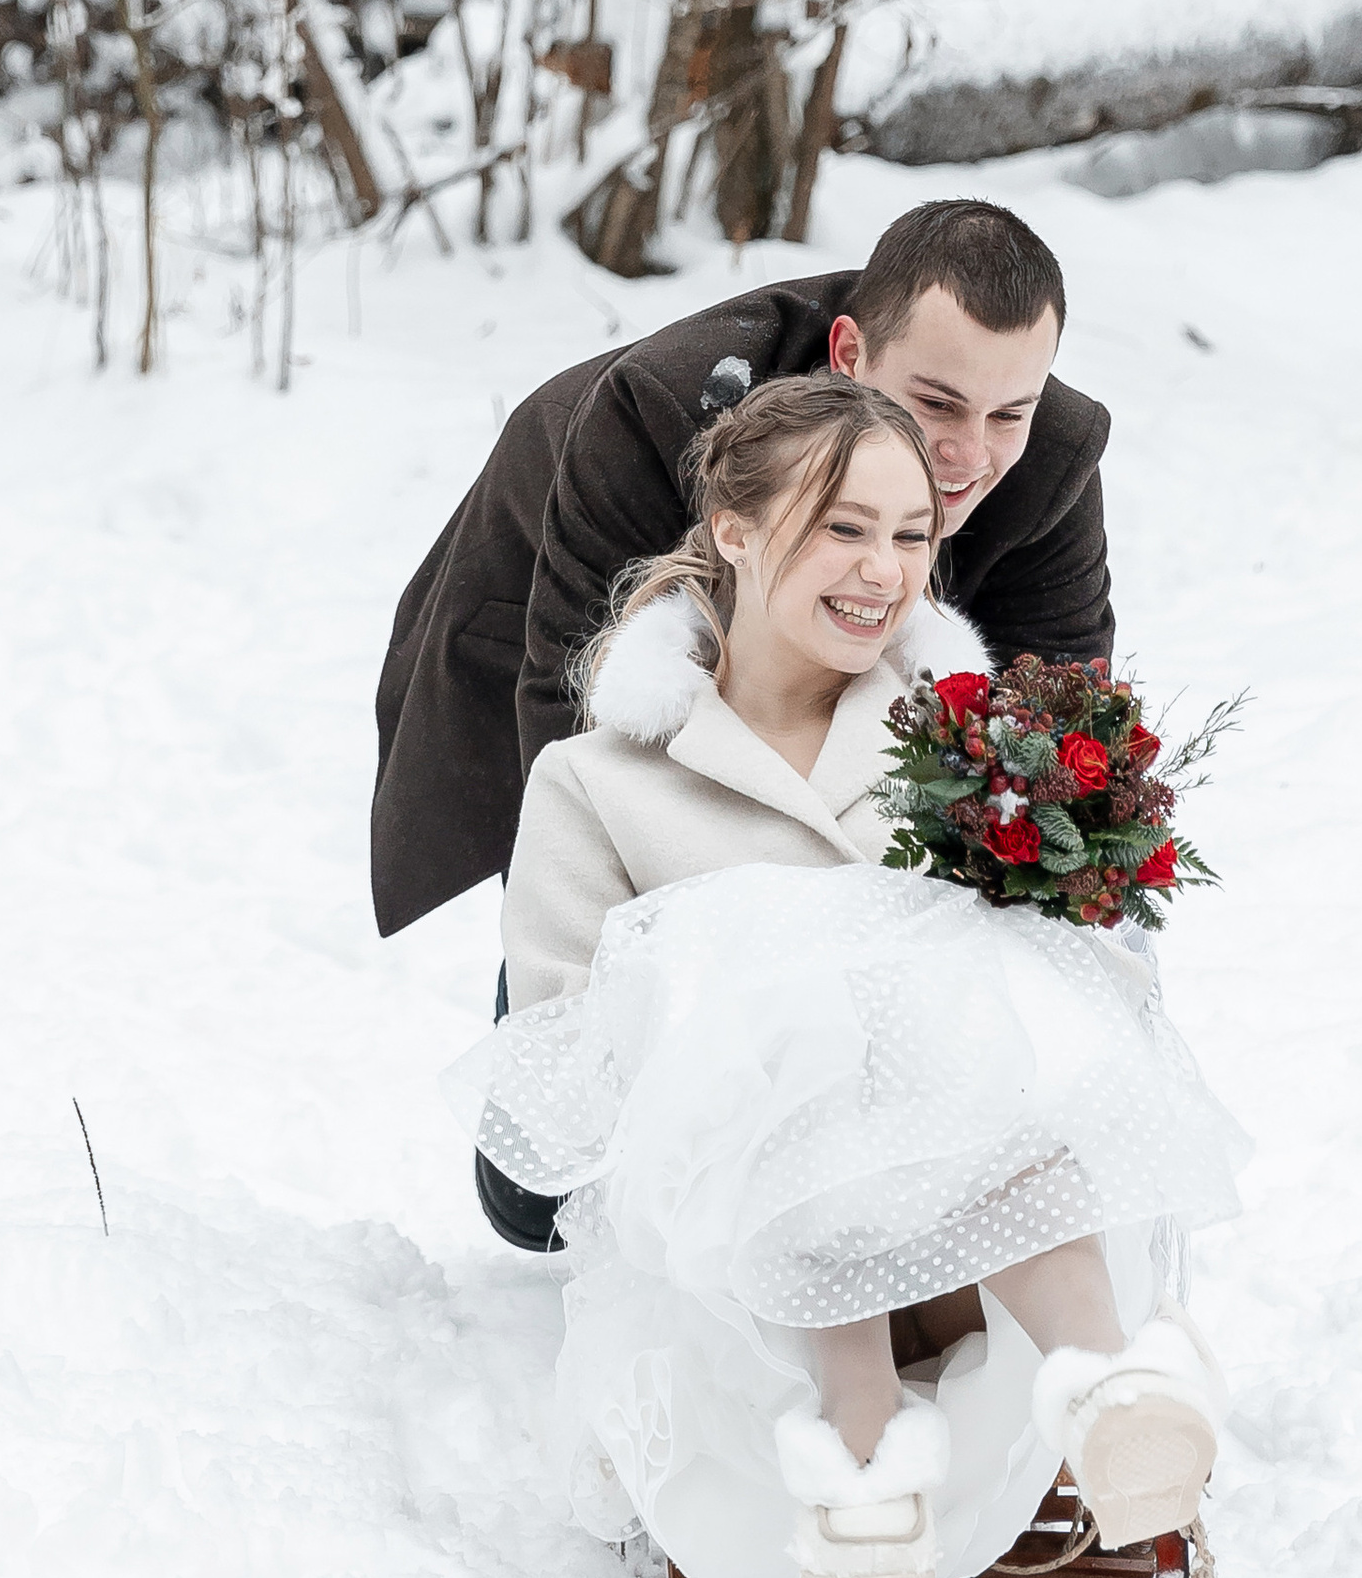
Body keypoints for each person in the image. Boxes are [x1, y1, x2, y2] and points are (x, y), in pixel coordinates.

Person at [463, 371, 1244, 1578]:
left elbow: (1090, 996)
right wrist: (745, 1029)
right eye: (843, 528)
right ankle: (859, 1443)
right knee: (787, 1013)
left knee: (986, 1005)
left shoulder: (963, 746)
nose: (883, 573)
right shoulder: (598, 783)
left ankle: (1113, 1390)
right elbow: (559, 1053)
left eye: (910, 536)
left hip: (986, 1234)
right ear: (732, 527)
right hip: (737, 1263)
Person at [374, 195, 1116, 1242]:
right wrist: (657, 968)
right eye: (936, 404)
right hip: (570, 627)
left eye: (1008, 414)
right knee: (540, 1200)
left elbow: (1055, 717)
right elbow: (575, 721)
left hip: (831, 666)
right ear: (850, 354)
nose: (966, 454)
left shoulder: (1043, 452)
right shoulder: (656, 412)